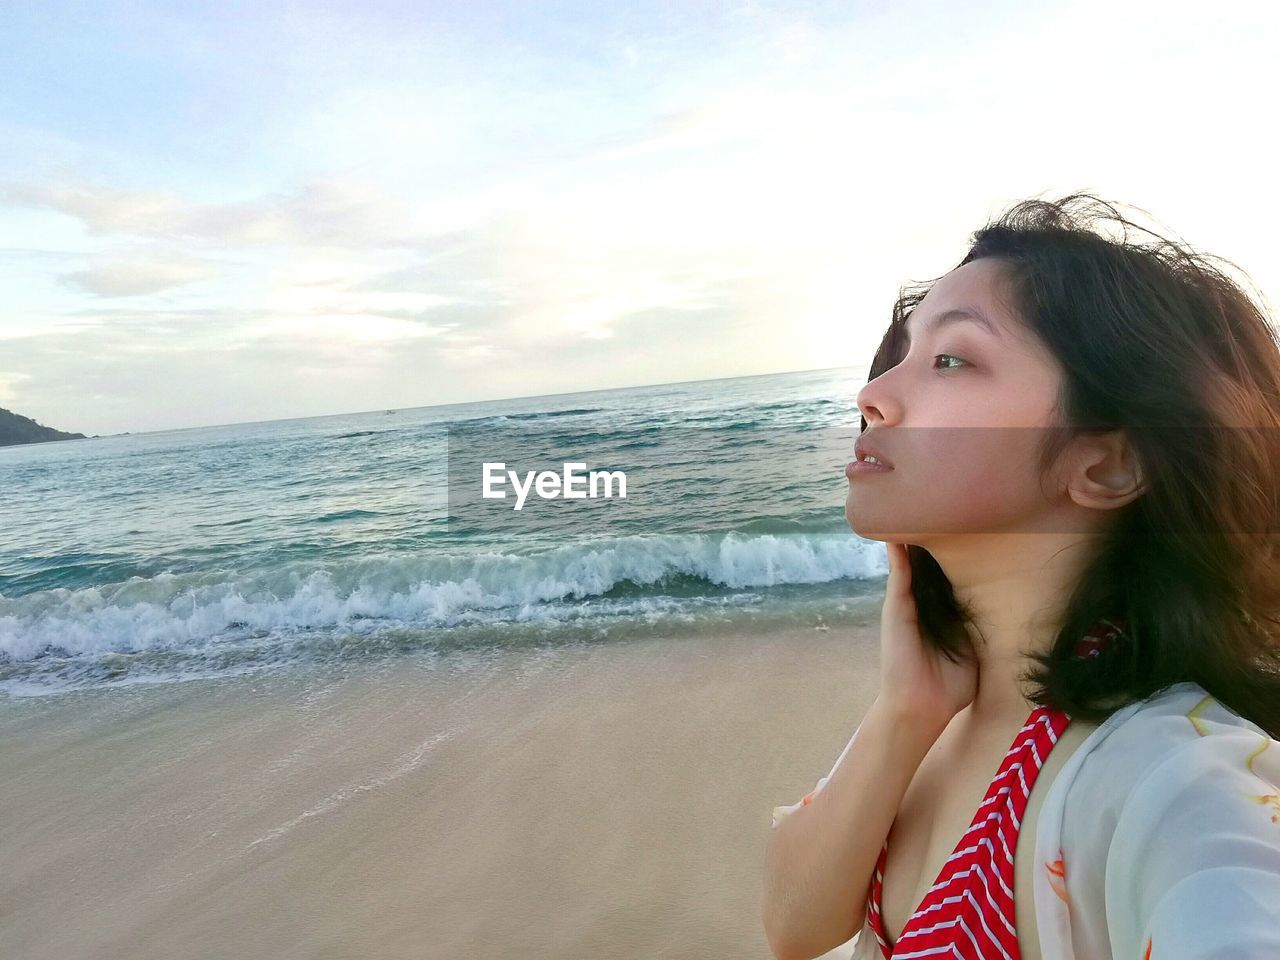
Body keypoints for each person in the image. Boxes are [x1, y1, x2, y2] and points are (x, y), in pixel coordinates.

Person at [761, 194, 1280, 960]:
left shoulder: (1176, 779)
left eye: (951, 360)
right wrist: (904, 711)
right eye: (901, 354)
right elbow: (794, 926)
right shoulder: (945, 718)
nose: (872, 397)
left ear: (1107, 462)